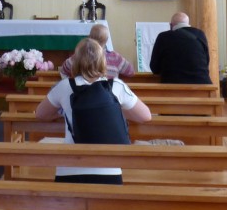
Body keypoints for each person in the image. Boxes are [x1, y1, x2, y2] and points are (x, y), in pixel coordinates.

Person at [34, 37, 151, 184]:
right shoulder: (116, 87)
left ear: (74, 61)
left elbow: (40, 114)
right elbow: (145, 116)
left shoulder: (64, 86)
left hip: (69, 171)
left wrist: (63, 111)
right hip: (109, 171)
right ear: (103, 61)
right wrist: (117, 109)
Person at [149, 11, 212, 84]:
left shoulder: (163, 37)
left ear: (170, 25)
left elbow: (154, 67)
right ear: (188, 24)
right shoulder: (200, 34)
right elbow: (206, 61)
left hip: (173, 85)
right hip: (202, 83)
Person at [59, 23, 134, 79]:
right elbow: (130, 71)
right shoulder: (115, 57)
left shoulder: (79, 55)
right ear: (106, 40)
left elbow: (64, 70)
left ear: (90, 37)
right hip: (109, 96)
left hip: (83, 95)